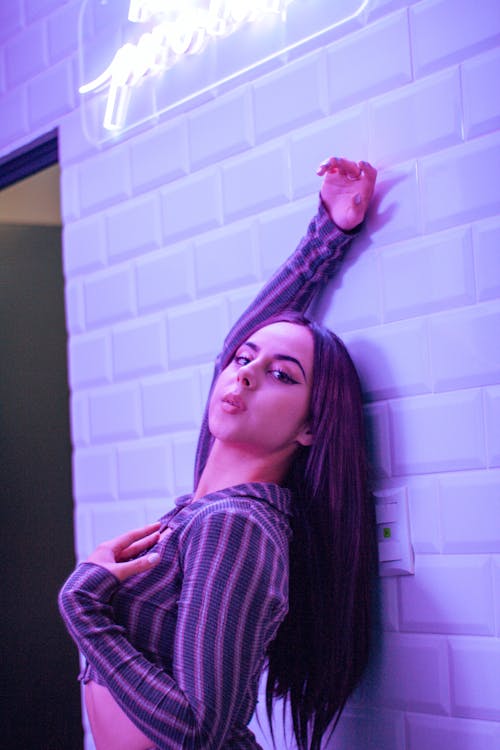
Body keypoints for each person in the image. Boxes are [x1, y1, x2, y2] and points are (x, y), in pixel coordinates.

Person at [59, 156, 377, 750]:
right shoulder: (205, 509)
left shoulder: (235, 526)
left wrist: (86, 610)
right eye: (242, 361)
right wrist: (327, 232)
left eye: (282, 375)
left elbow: (200, 731)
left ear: (311, 427)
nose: (246, 375)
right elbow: (244, 341)